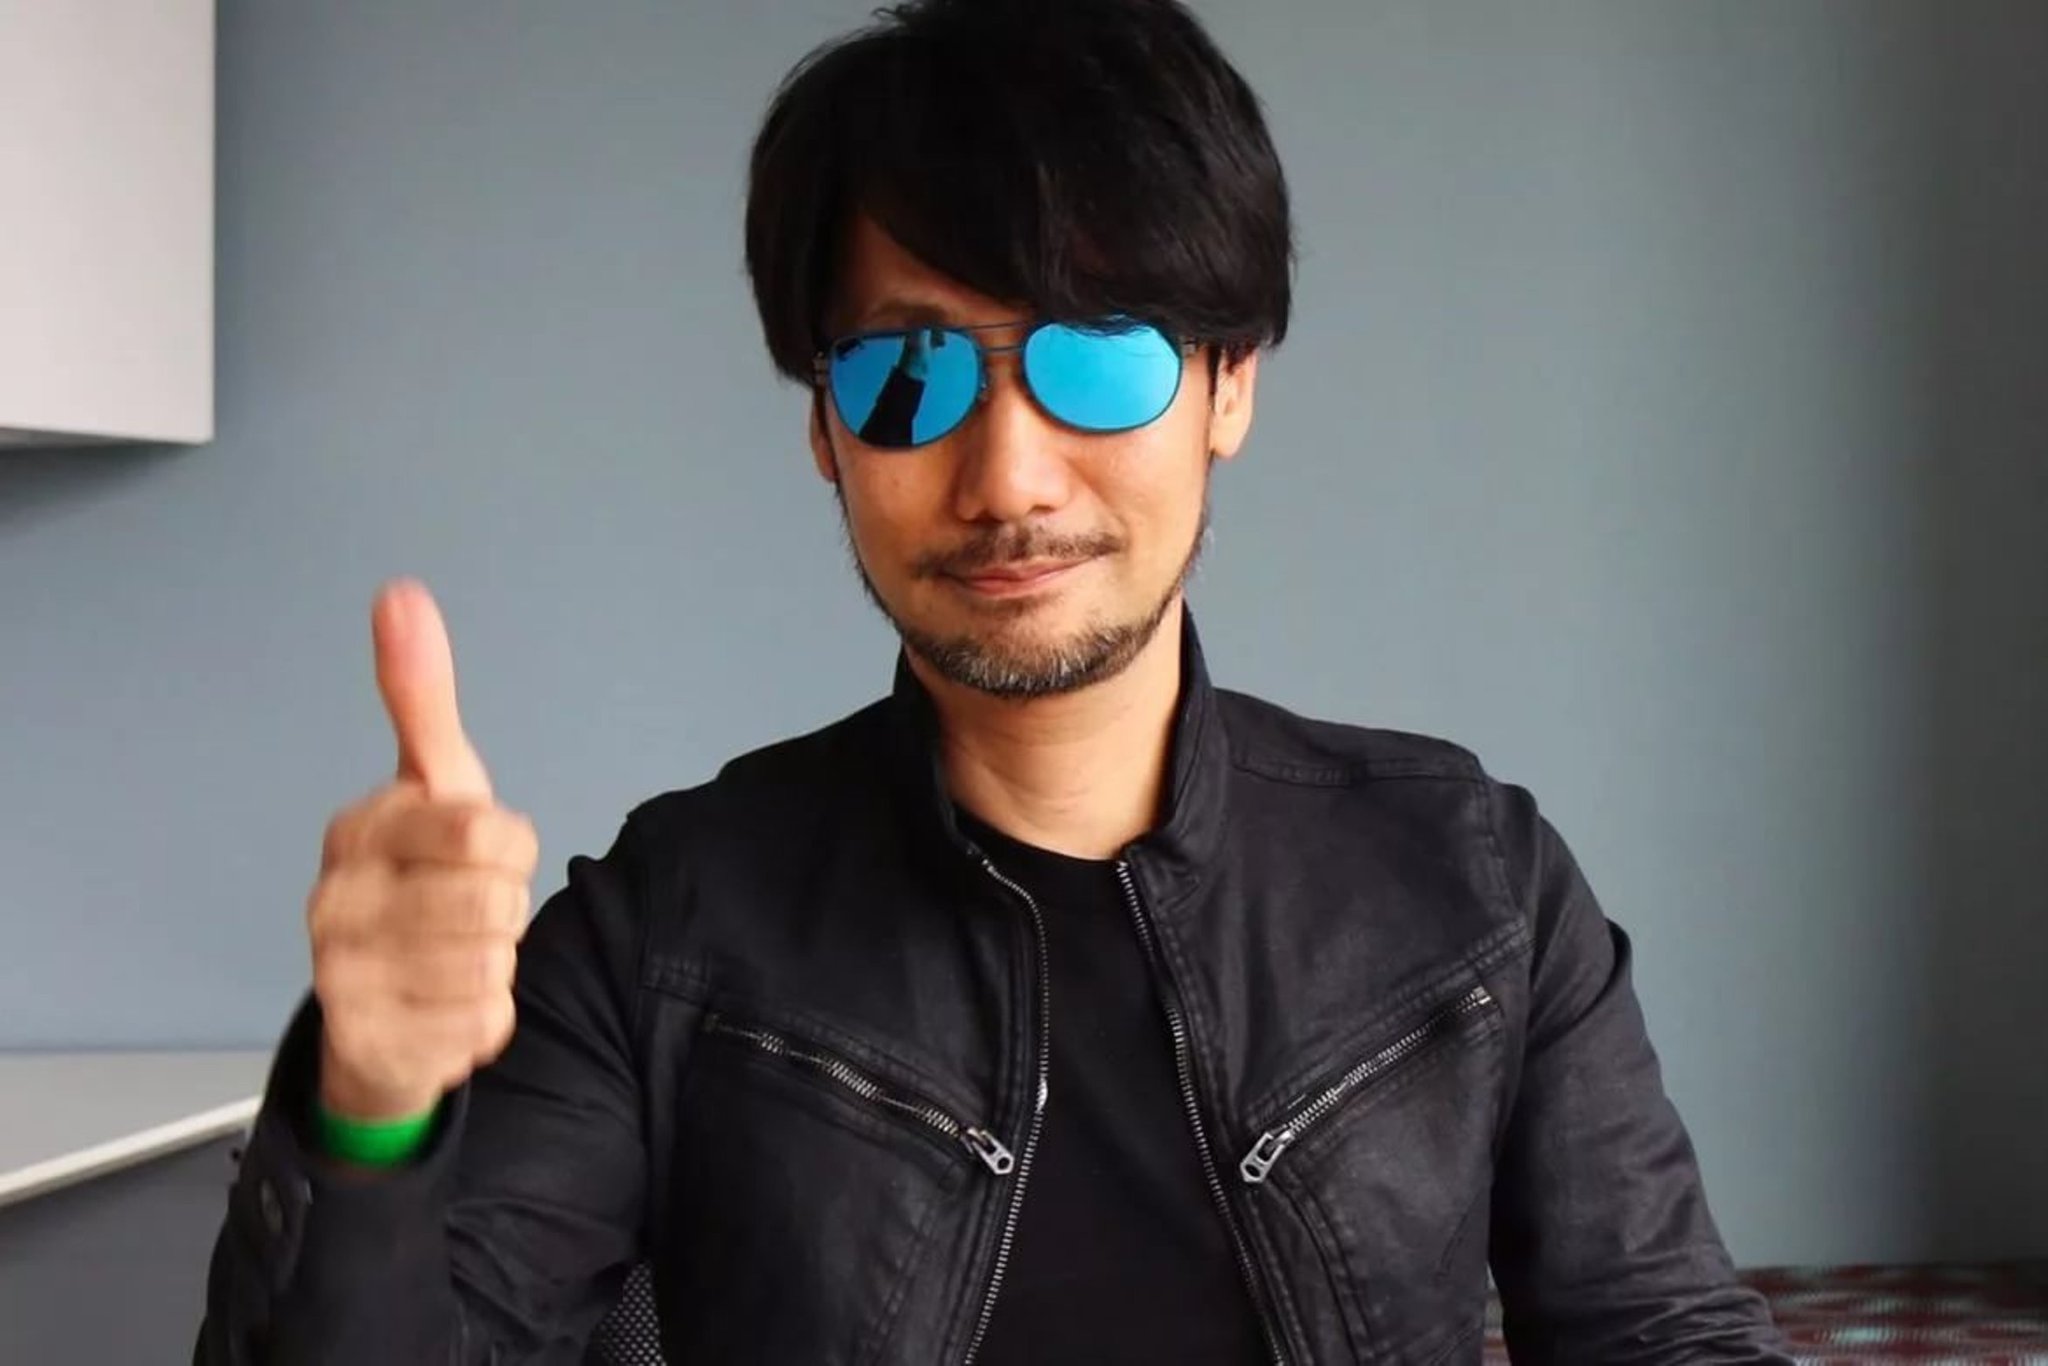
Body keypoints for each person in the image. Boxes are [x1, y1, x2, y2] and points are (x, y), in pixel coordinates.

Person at [195, 1, 1792, 1362]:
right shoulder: (665, 932)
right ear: (827, 432)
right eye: (911, 372)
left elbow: (1663, 1334)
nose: (1011, 475)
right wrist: (370, 1112)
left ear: (1230, 387)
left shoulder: (1474, 882)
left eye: (1103, 353)